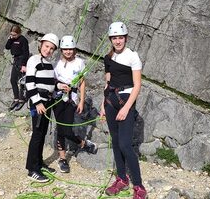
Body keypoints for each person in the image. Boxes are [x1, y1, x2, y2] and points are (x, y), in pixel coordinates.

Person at [102, 22, 147, 199]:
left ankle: (139, 186)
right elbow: (107, 83)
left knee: (125, 145)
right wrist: (102, 105)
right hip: (110, 101)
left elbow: (137, 86)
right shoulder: (108, 58)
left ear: (126, 38)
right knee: (115, 141)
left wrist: (127, 108)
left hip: (126, 101)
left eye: (120, 37)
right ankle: (121, 178)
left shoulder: (133, 57)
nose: (118, 41)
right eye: (114, 38)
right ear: (110, 39)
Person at [53, 35, 97, 173]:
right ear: (61, 50)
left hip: (71, 98)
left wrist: (82, 100)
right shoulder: (56, 64)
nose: (68, 52)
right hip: (57, 98)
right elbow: (53, 80)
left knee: (66, 129)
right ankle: (62, 158)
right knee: (60, 128)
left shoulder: (79, 63)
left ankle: (82, 143)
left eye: (70, 49)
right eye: (65, 49)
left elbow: (82, 82)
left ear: (74, 49)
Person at [25, 33, 59, 183]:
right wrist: (38, 103)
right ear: (41, 45)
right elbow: (30, 83)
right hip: (39, 102)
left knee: (43, 133)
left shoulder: (49, 64)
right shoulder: (34, 60)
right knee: (37, 134)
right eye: (47, 46)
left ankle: (39, 163)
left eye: (52, 48)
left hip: (48, 101)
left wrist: (59, 86)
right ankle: (32, 169)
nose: (48, 50)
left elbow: (50, 83)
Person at [5, 25, 30, 111]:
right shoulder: (12, 39)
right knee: (13, 80)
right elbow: (7, 47)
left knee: (21, 81)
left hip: (21, 59)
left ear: (19, 33)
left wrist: (24, 65)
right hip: (15, 59)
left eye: (15, 35)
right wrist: (10, 38)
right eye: (12, 34)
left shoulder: (23, 40)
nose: (13, 36)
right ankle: (16, 98)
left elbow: (26, 53)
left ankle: (21, 99)